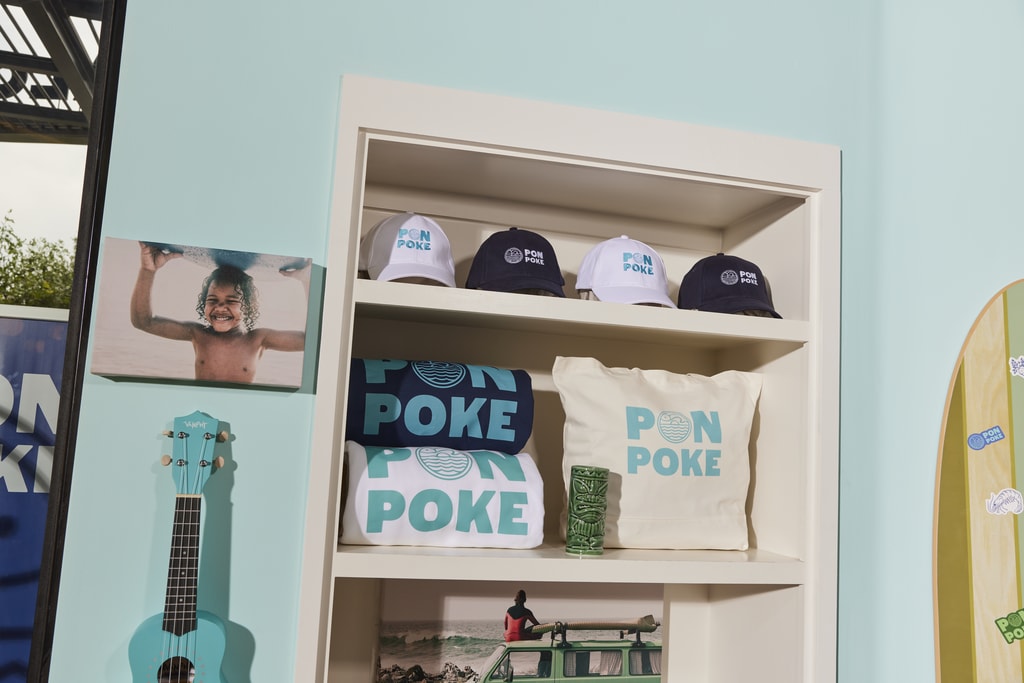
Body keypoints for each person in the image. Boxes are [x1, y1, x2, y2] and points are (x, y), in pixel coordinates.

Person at [130, 242, 310, 383]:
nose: (220, 307)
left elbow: (310, 343)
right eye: (212, 300)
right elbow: (143, 321)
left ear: (247, 307)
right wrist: (148, 270)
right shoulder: (198, 334)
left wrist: (308, 281)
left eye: (231, 301)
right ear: (203, 304)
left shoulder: (257, 340)